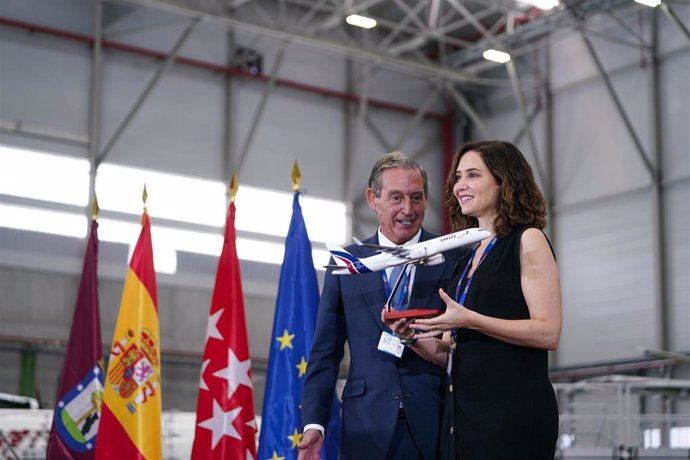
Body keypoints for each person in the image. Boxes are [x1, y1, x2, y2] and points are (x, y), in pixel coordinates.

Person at [384, 140, 562, 459]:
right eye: (458, 177)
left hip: (511, 416)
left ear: (503, 180)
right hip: (463, 418)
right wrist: (413, 338)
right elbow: (451, 352)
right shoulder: (467, 258)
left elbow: (548, 332)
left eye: (473, 175)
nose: (460, 186)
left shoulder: (527, 239)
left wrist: (469, 319)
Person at [298, 151, 463, 460]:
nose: (408, 209)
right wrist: (314, 423)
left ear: (427, 199)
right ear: (372, 199)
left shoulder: (454, 258)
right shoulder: (347, 265)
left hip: (436, 424)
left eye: (416, 197)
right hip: (366, 427)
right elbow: (325, 353)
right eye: (396, 197)